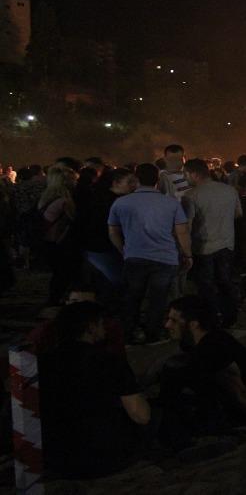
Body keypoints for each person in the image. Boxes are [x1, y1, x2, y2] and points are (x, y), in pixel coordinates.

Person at [39, 301, 150, 479]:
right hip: (102, 457)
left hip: (55, 456)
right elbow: (141, 415)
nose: (104, 328)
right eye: (100, 323)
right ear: (91, 327)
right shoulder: (109, 361)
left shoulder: (42, 361)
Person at [160, 296, 246, 447]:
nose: (167, 325)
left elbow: (238, 389)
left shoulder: (214, 348)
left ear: (193, 324)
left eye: (174, 321)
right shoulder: (193, 341)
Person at [108, 163, 193, 343]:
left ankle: (128, 334)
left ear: (136, 179)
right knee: (158, 299)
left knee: (133, 298)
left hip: (135, 256)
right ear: (157, 179)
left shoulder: (121, 202)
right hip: (165, 258)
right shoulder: (170, 203)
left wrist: (123, 250)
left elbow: (113, 231)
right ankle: (152, 334)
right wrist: (187, 254)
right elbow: (182, 231)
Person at [182, 158, 242, 327]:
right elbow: (238, 214)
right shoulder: (229, 190)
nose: (185, 178)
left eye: (185, 174)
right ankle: (230, 316)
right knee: (225, 282)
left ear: (193, 174)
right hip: (227, 243)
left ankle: (211, 317)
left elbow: (187, 224)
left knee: (206, 285)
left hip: (203, 246)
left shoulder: (191, 195)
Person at [82, 168, 136, 291]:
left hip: (94, 247)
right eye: (130, 182)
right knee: (117, 283)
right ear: (115, 183)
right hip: (106, 248)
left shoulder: (97, 197)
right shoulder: (114, 202)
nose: (134, 185)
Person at [37, 166, 80, 305]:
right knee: (62, 274)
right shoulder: (64, 201)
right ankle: (54, 302)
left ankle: (53, 301)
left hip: (47, 240)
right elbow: (73, 220)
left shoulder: (46, 197)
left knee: (58, 274)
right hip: (59, 242)